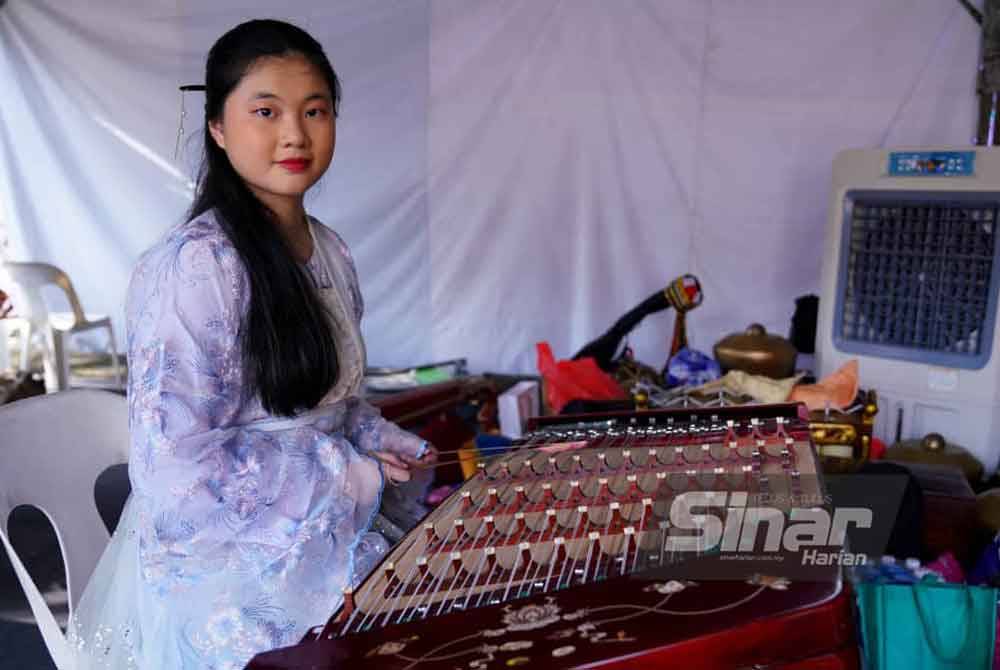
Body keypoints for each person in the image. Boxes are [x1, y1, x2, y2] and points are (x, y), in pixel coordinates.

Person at [68, 19, 435, 669]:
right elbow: (175, 473)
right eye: (266, 111)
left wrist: (380, 440)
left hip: (321, 538)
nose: (295, 133)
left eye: (315, 111)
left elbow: (332, 405)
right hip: (229, 572)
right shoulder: (196, 267)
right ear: (218, 127)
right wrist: (347, 476)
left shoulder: (329, 250)